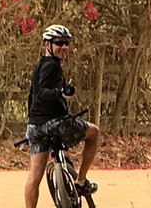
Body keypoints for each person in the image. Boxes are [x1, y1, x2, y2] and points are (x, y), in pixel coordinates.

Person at [24, 24, 101, 207]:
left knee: (34, 176)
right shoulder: (51, 66)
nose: (64, 47)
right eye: (59, 43)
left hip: (36, 126)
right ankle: (81, 182)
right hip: (55, 124)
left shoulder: (40, 65)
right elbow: (42, 93)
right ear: (47, 44)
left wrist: (32, 122)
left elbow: (32, 96)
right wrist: (61, 91)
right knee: (94, 133)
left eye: (66, 43)